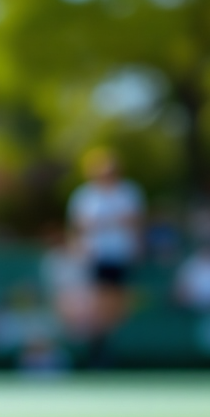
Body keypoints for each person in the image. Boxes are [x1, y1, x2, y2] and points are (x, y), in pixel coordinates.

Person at [67, 148, 144, 362]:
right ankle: (97, 348)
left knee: (118, 302)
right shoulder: (84, 195)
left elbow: (134, 222)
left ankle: (114, 346)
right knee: (97, 301)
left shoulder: (128, 192)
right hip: (96, 256)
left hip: (121, 255)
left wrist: (136, 246)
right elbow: (79, 227)